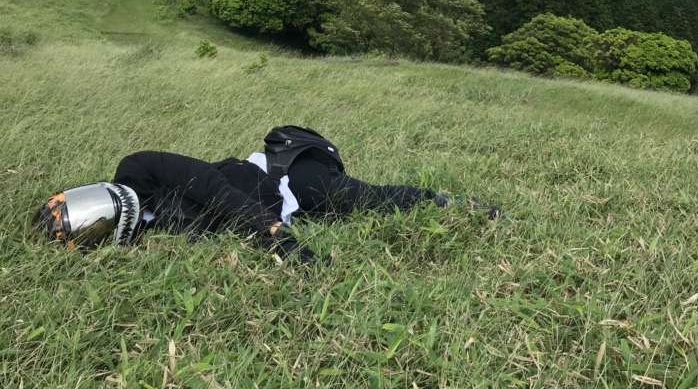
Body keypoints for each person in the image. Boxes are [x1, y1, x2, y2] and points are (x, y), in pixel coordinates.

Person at [34, 126, 499, 262]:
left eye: (86, 202)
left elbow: (212, 188)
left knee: (362, 200)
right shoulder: (143, 236)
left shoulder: (138, 169)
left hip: (282, 179)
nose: (102, 210)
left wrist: (272, 232)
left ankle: (453, 205)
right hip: (276, 210)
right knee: (348, 216)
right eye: (91, 224)